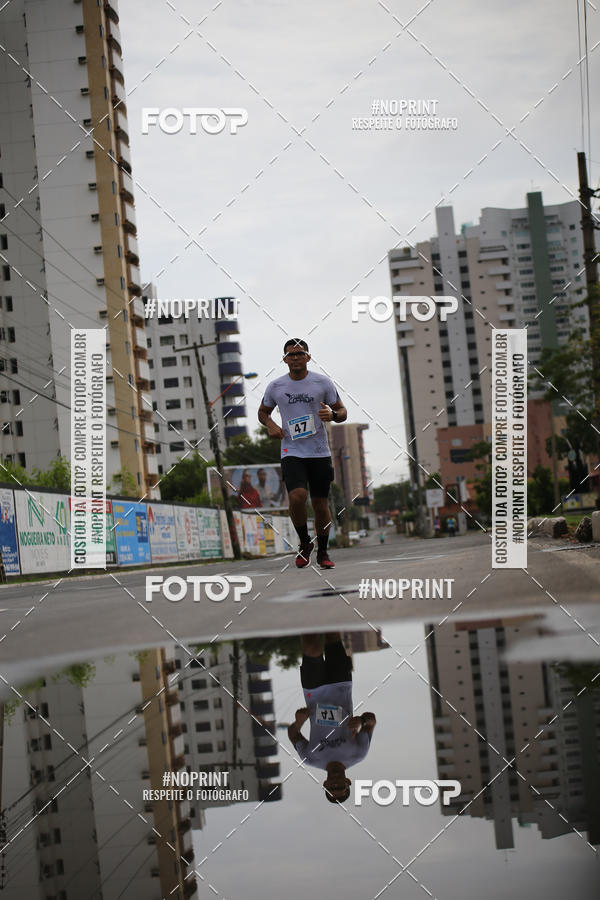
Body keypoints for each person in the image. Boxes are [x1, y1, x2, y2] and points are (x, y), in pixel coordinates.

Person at [258, 338, 347, 569]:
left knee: (320, 503)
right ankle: (305, 542)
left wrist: (334, 416)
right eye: (291, 354)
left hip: (319, 452)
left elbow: (342, 410)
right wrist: (270, 425)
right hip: (292, 450)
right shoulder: (276, 386)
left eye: (300, 353)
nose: (295, 358)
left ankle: (323, 551)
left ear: (308, 357)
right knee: (297, 497)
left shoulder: (322, 382)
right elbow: (263, 412)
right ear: (284, 359)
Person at [288, 633, 376, 803]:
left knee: (311, 646)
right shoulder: (358, 754)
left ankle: (302, 613)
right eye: (340, 787)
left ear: (325, 783)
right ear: (348, 782)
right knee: (332, 637)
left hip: (314, 692)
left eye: (331, 787)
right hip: (341, 684)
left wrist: (299, 721)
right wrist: (362, 721)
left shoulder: (311, 759)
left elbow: (293, 734)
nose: (335, 784)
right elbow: (371, 720)